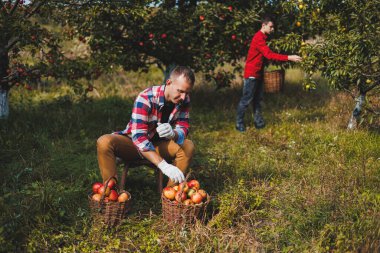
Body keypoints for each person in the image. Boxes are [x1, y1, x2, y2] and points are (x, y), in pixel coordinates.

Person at [97, 66, 195, 187]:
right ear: (169, 82)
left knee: (188, 146)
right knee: (104, 141)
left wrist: (173, 134)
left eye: (187, 92)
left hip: (159, 145)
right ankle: (110, 194)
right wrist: (164, 165)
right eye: (180, 91)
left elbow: (184, 127)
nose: (184, 97)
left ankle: (171, 196)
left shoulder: (184, 100)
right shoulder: (146, 98)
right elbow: (139, 138)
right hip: (134, 145)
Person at [236, 16, 302, 131]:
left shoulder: (263, 37)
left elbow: (263, 57)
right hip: (252, 75)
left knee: (258, 100)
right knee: (246, 100)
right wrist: (289, 57)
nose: (272, 29)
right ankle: (239, 124)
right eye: (271, 27)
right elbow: (269, 54)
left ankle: (259, 123)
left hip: (259, 74)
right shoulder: (258, 38)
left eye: (273, 27)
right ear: (263, 25)